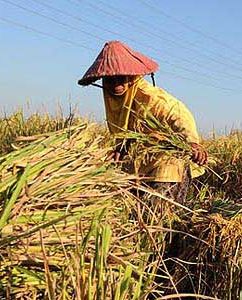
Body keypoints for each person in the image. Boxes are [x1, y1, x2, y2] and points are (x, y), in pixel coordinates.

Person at [78, 41, 208, 204]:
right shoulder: (115, 99)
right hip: (141, 167)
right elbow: (129, 130)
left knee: (159, 216)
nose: (116, 84)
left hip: (166, 166)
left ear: (130, 75)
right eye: (110, 79)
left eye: (120, 77)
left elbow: (178, 113)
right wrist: (120, 149)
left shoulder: (148, 96)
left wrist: (192, 143)